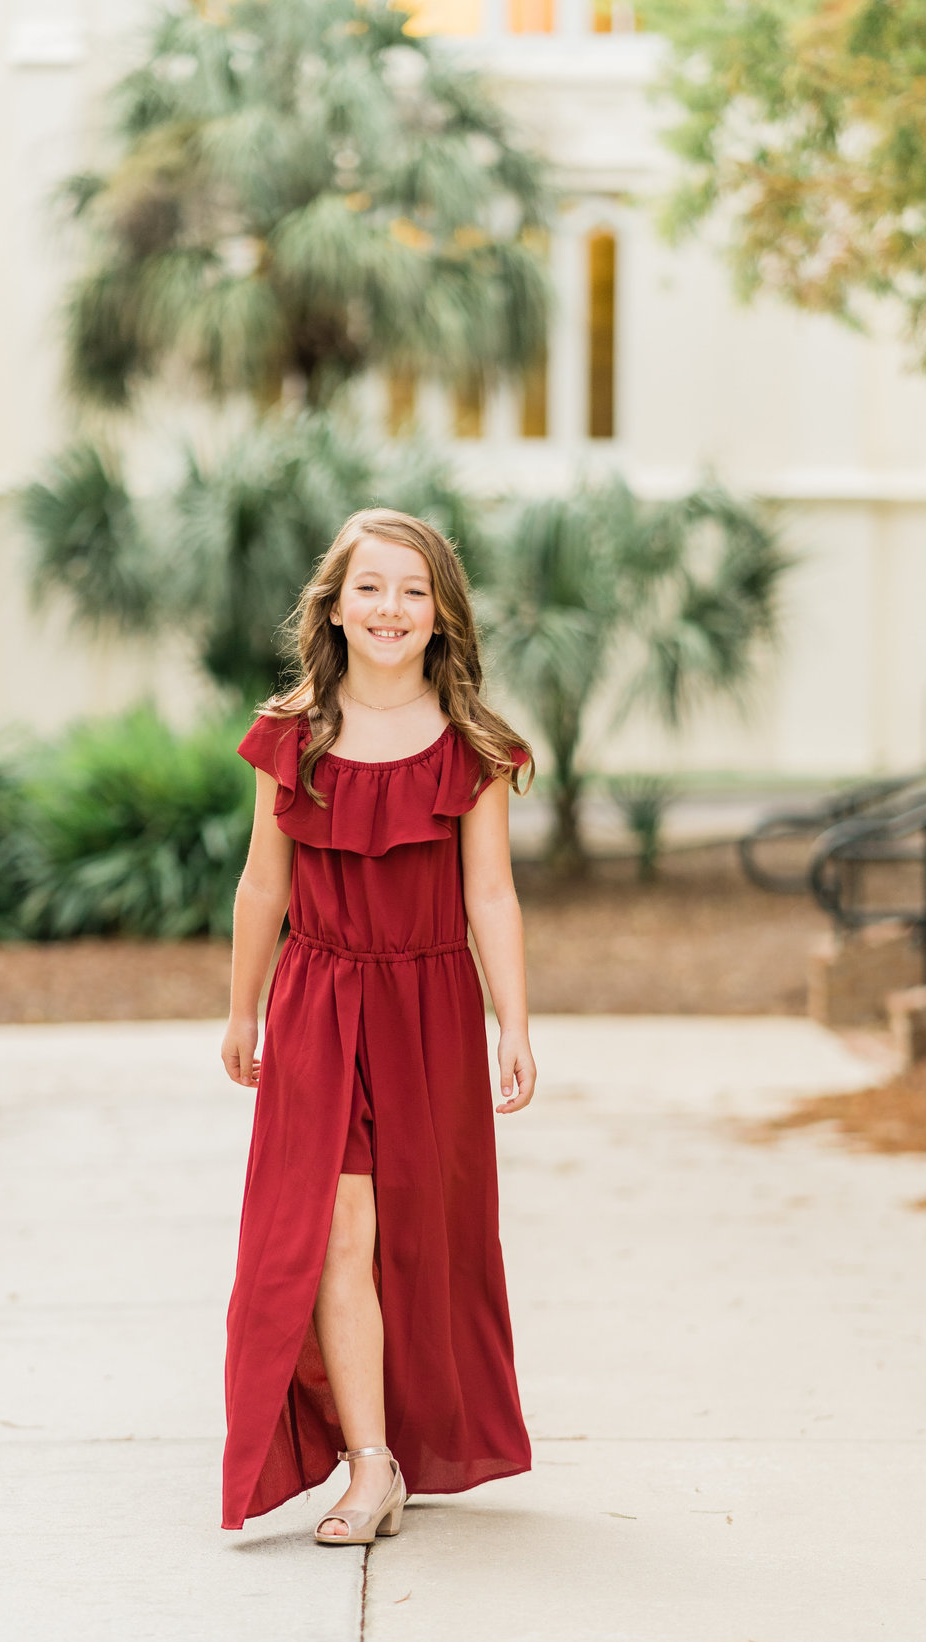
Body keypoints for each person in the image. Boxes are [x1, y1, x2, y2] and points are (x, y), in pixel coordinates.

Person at [220, 507, 536, 1543]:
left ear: (442, 614)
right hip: (317, 1002)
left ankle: (413, 1434)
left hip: (430, 1008)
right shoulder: (292, 737)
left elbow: (490, 895)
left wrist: (513, 1025)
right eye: (370, 587)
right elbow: (263, 889)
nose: (390, 608)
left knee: (423, 1237)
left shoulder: (474, 749)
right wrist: (243, 1011)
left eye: (412, 590)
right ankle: (370, 1465)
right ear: (336, 605)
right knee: (331, 1233)